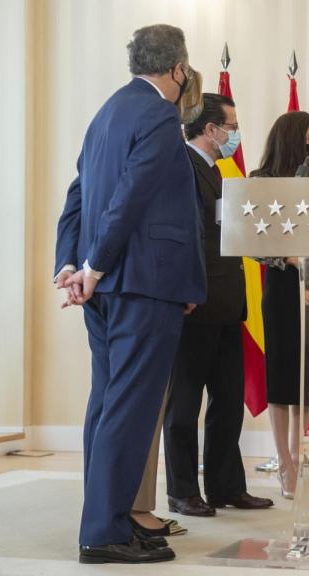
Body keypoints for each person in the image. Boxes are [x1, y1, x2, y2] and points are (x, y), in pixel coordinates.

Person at [54, 24, 205, 564]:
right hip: (143, 283)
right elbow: (131, 198)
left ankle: (111, 519)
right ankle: (103, 534)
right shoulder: (159, 114)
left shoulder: (106, 113)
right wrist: (92, 266)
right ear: (178, 69)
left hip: (107, 286)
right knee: (129, 410)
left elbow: (78, 195)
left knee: (107, 404)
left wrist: (72, 263)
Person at [161, 93, 275, 517]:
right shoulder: (181, 166)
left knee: (227, 403)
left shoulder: (217, 170)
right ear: (210, 129)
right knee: (184, 406)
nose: (235, 134)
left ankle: (226, 487)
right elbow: (182, 236)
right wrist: (184, 290)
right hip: (194, 305)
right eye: (232, 127)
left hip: (228, 304)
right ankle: (183, 491)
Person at [126, 68, 207, 542]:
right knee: (144, 408)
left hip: (159, 285)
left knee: (147, 407)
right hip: (148, 285)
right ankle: (133, 510)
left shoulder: (152, 131)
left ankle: (134, 508)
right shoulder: (157, 130)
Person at [251, 111, 309, 498]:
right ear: (291, 139)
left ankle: (301, 454)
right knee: (283, 373)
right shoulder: (261, 182)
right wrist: (290, 259)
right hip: (283, 286)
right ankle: (283, 460)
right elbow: (252, 242)